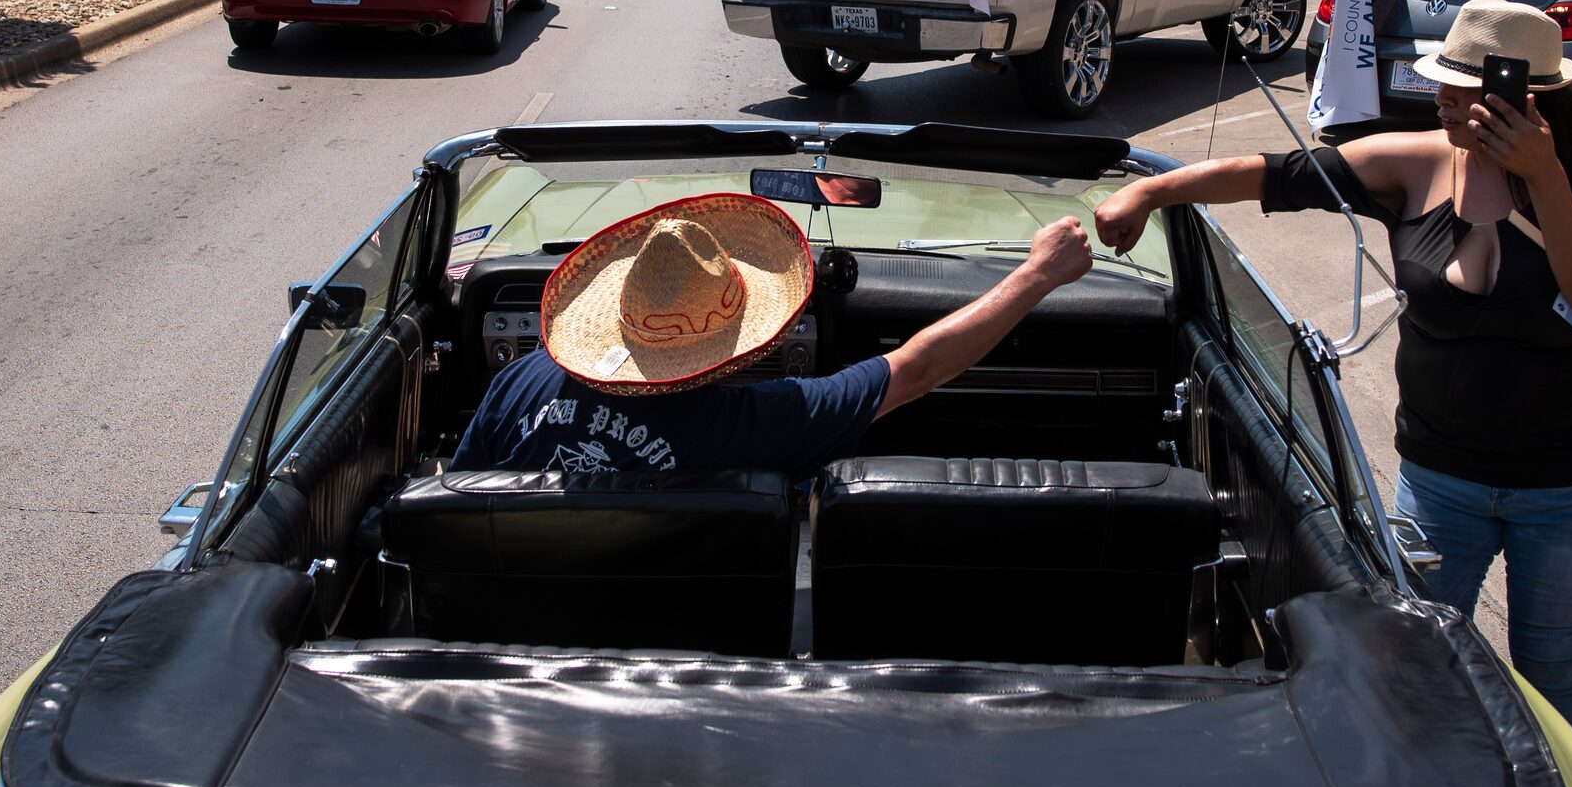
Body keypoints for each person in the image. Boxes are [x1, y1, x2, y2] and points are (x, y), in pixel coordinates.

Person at [1091, 0, 1572, 741]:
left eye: (1462, 90)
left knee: (1547, 668)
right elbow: (1278, 174)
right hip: (1441, 473)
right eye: (1441, 83)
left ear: (1526, 94)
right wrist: (1153, 188)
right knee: (1412, 657)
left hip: (1570, 482)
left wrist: (1542, 177)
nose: (1440, 101)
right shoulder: (1419, 160)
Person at [451, 194, 1095, 476]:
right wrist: (1037, 275)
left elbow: (456, 499)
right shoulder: (760, 424)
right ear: (737, 337)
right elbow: (918, 369)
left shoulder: (518, 383)